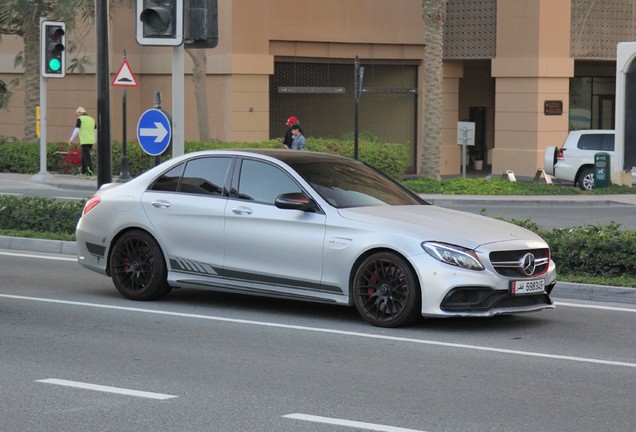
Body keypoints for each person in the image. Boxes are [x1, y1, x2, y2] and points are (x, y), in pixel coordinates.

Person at [68, 107, 96, 177]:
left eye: (77, 114)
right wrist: (95, 140)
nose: (77, 115)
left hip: (85, 141)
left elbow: (77, 129)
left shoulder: (80, 119)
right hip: (91, 141)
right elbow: (96, 131)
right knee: (84, 156)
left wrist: (71, 139)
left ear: (80, 112)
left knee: (87, 158)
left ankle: (91, 173)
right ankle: (83, 173)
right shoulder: (92, 119)